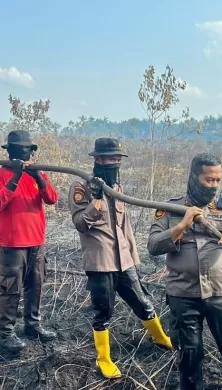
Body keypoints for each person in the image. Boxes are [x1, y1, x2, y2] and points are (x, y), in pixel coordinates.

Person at [147, 153, 222, 390]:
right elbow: (154, 245)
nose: (214, 186)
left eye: (218, 180)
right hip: (183, 294)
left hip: (220, 292)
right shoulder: (169, 208)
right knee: (189, 353)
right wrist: (182, 225)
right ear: (195, 178)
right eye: (209, 180)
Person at [68, 137, 174, 379]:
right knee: (103, 312)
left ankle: (160, 338)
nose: (115, 162)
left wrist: (133, 258)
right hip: (100, 263)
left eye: (118, 158)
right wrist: (96, 199)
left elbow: (124, 227)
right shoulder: (81, 187)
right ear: (97, 159)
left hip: (124, 261)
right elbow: (80, 224)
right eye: (110, 158)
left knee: (143, 301)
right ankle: (103, 359)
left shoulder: (117, 187)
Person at [0, 130, 59, 352]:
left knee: (35, 285)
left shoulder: (38, 172)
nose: (25, 154)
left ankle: (32, 325)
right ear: (9, 151)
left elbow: (52, 199)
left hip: (36, 241)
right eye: (20, 150)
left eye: (28, 150)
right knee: (11, 288)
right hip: (12, 243)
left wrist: (38, 177)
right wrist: (16, 176)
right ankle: (6, 333)